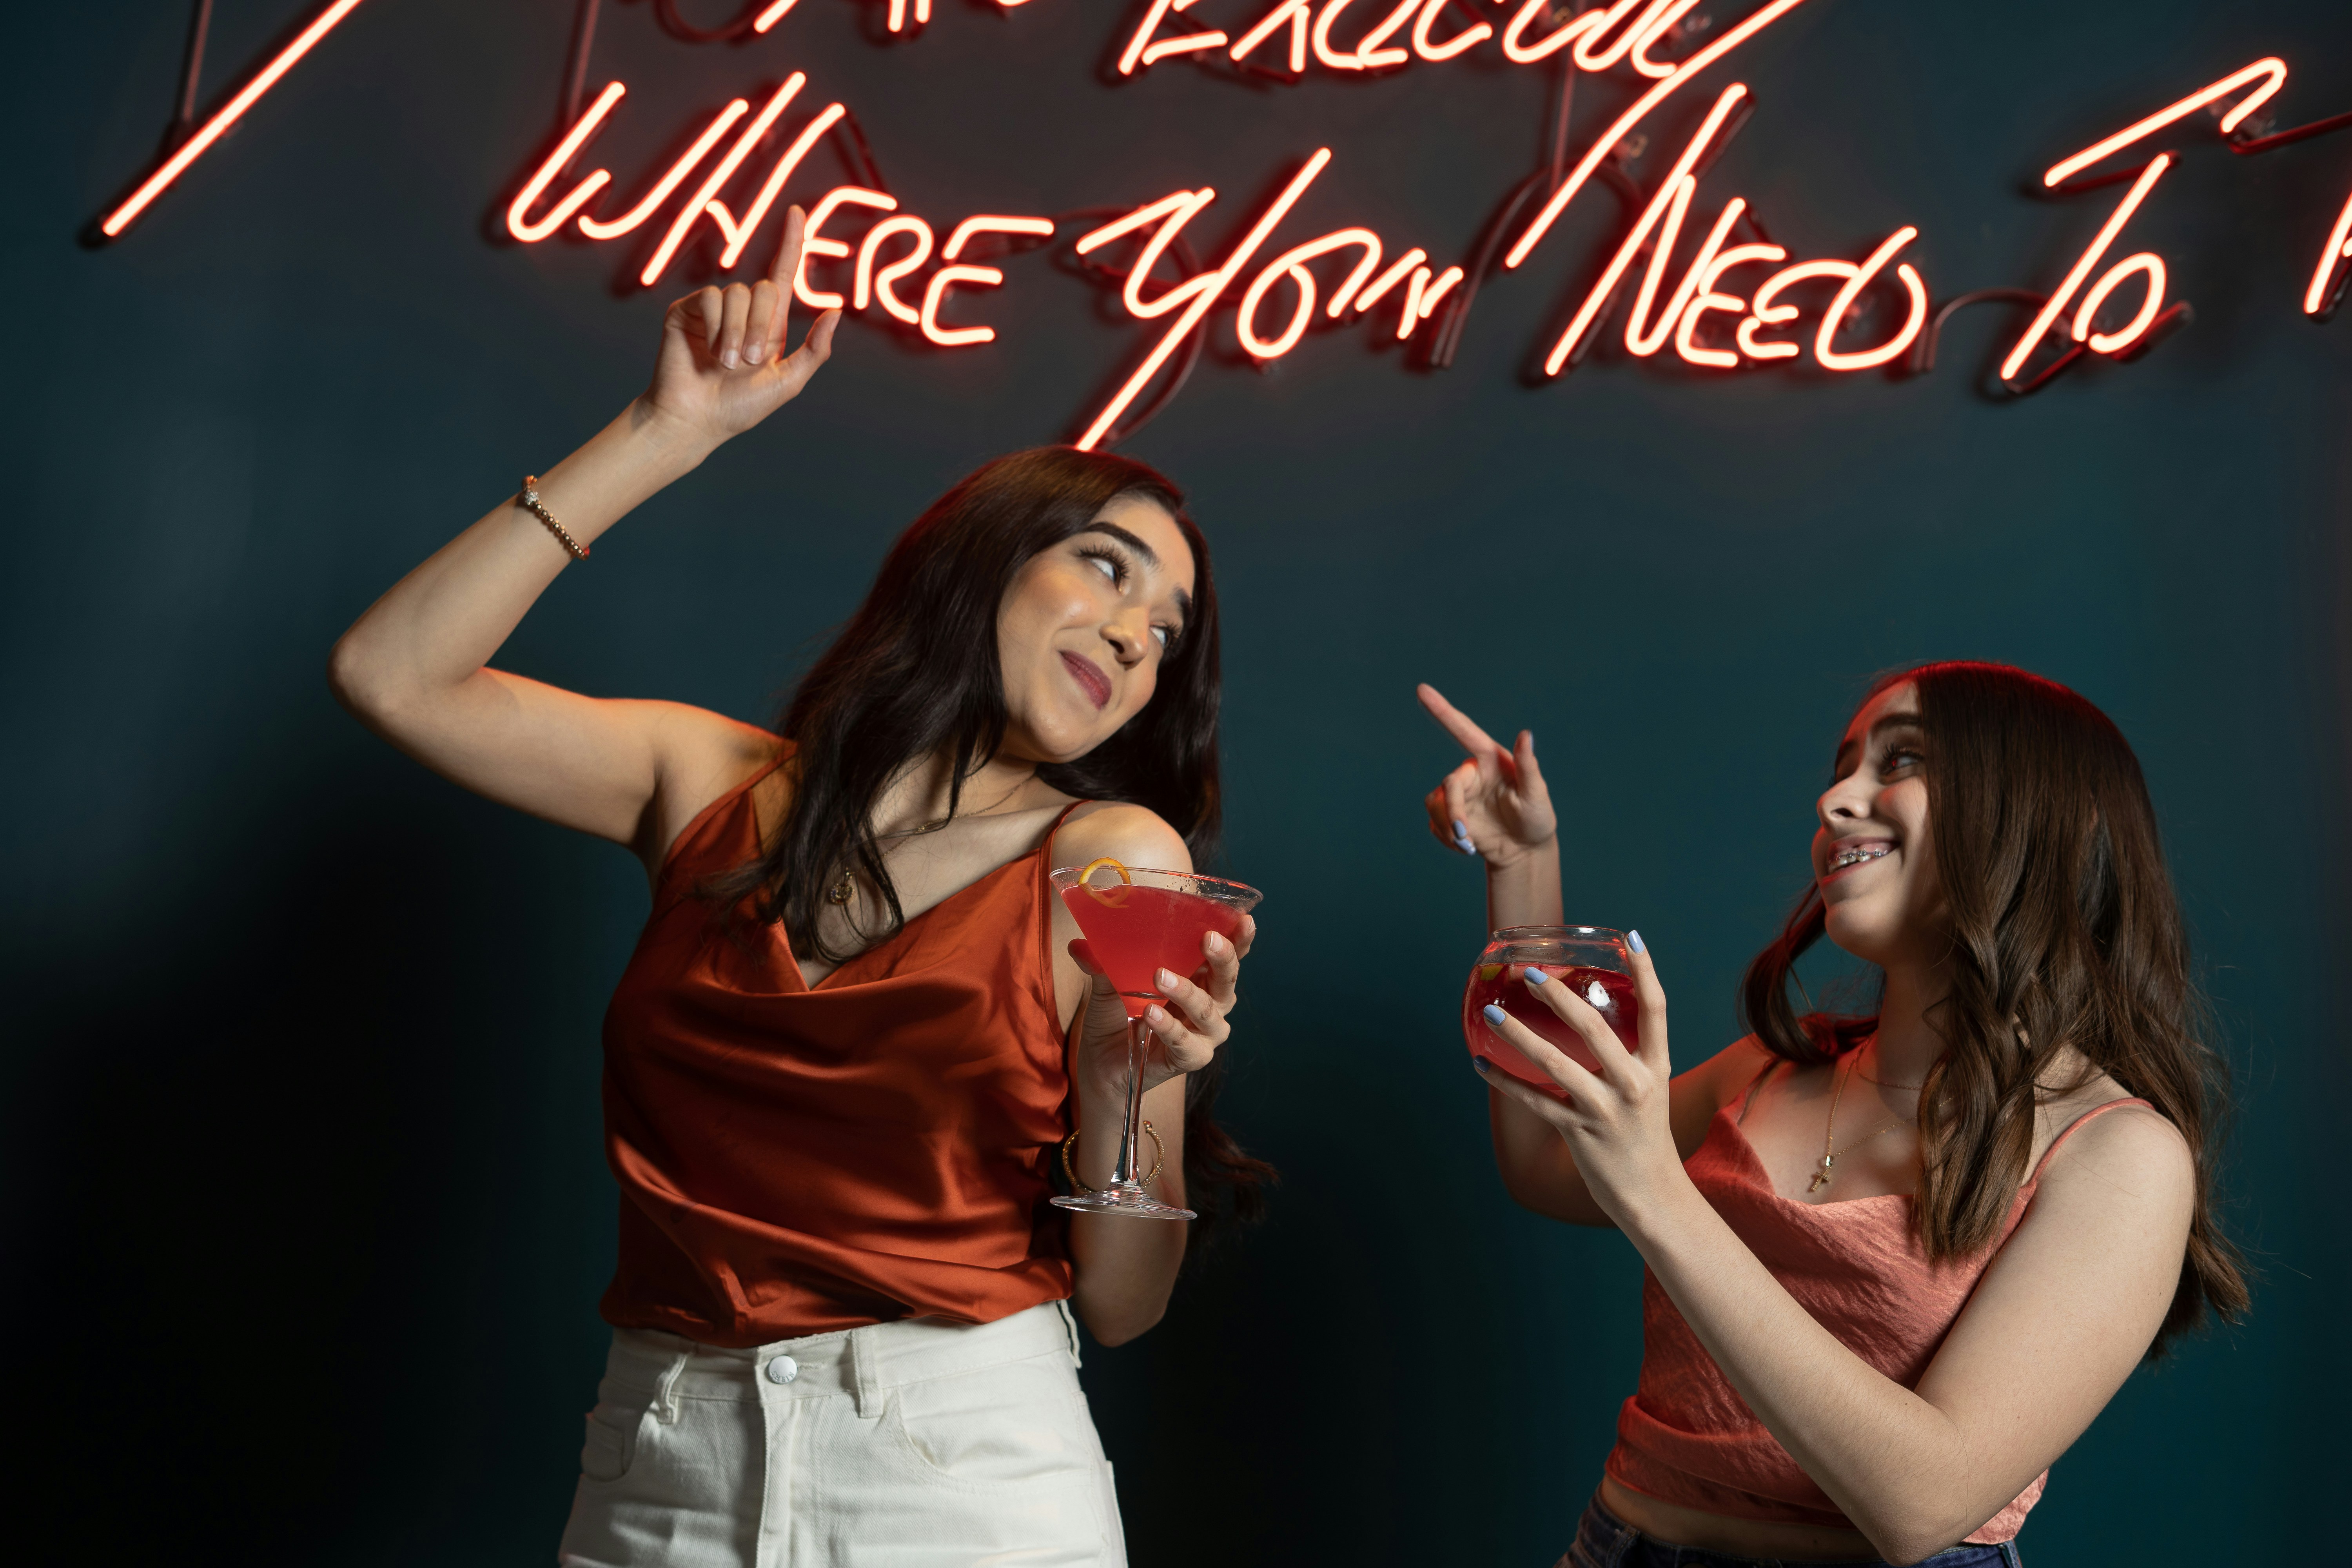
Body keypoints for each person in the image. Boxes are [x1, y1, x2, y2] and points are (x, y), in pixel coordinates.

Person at [328, 208, 1265, 1567]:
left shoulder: (1111, 858)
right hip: (658, 1459)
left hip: (958, 1474)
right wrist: (667, 434)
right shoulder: (704, 778)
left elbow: (1123, 1307)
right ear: (986, 558)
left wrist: (1129, 1088)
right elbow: (390, 674)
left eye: (1164, 635)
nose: (1134, 634)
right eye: (1107, 570)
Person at [1417, 663, 2244, 1568]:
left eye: (1903, 761)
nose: (1836, 797)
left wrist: (1659, 1193)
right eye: (1844, 765)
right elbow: (1543, 1162)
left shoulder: (2120, 1154)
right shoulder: (1775, 1068)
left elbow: (1923, 1502)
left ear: (2033, 812)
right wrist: (1524, 866)